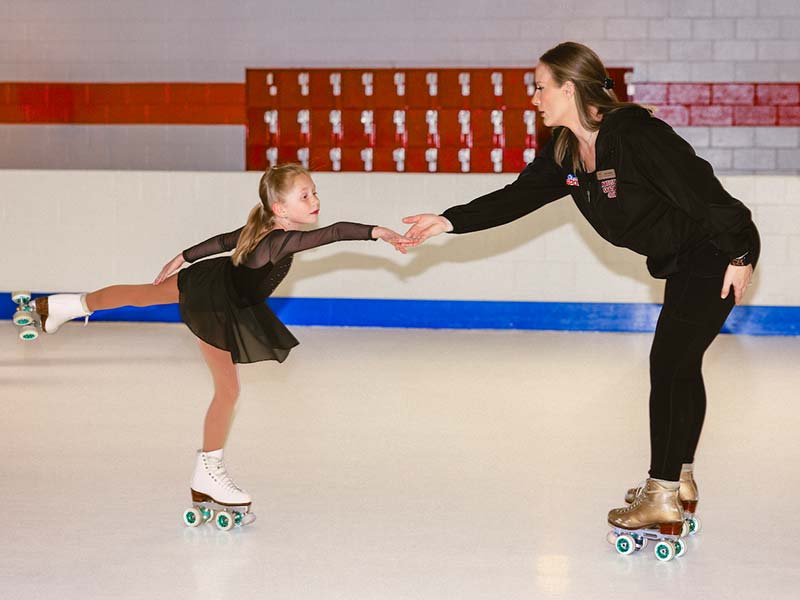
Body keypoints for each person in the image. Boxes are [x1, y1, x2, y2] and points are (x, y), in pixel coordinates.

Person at [400, 42, 760, 551]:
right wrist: (448, 220)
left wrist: (741, 254)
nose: (534, 98)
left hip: (717, 248)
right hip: (684, 259)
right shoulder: (566, 152)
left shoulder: (634, 134)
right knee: (682, 363)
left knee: (669, 361)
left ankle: (660, 491)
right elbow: (516, 197)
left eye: (540, 86)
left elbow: (704, 192)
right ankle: (678, 478)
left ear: (569, 88)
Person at [30, 163, 409, 518]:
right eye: (305, 196)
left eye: (314, 193)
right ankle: (207, 473)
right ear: (279, 207)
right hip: (216, 304)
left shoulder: (263, 229)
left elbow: (225, 240)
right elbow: (336, 231)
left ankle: (62, 305)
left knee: (141, 294)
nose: (315, 201)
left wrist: (183, 256)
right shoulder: (279, 240)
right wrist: (379, 232)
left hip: (211, 282)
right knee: (226, 390)